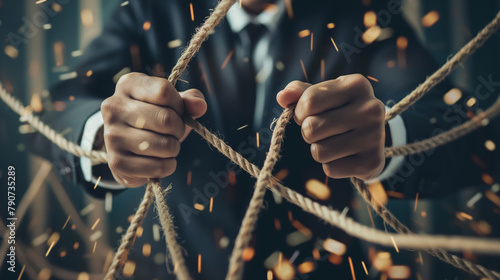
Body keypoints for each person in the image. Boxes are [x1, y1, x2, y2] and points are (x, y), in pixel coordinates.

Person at [30, 0, 491, 278]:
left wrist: (389, 136)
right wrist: (102, 132)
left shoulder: (362, 11)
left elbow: (467, 135)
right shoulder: (153, 8)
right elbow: (46, 113)